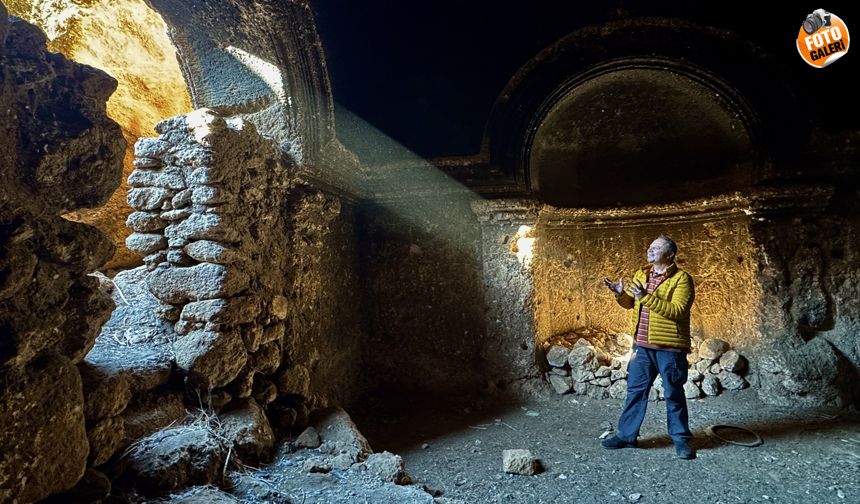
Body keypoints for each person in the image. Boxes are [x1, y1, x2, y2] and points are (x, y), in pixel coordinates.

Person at [600, 236, 696, 459]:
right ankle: (626, 435)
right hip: (641, 347)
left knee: (673, 393)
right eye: (650, 247)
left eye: (656, 248)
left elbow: (678, 311)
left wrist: (645, 296)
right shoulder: (641, 274)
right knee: (635, 391)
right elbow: (632, 304)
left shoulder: (682, 279)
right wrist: (619, 294)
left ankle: (681, 440)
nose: (650, 250)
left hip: (669, 348)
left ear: (670, 254)